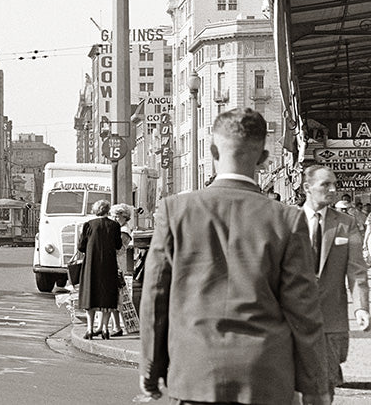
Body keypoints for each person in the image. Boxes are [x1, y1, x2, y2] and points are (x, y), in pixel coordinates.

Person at [139, 108, 331, 405]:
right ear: (264, 158)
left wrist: (151, 370)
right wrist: (315, 386)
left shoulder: (174, 211)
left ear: (213, 150)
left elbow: (155, 297)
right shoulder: (288, 220)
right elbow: (304, 311)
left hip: (196, 373)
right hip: (265, 376)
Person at [302, 167, 370, 398]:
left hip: (332, 317)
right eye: (325, 184)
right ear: (306, 188)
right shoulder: (288, 221)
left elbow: (357, 270)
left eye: (334, 184)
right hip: (294, 317)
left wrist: (361, 307)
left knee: (326, 386)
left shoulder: (345, 223)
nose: (332, 189)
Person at [77, 198, 121, 339]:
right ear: (108, 210)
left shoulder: (88, 225)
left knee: (91, 296)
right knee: (107, 297)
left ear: (95, 210)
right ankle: (105, 330)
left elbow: (81, 246)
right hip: (109, 265)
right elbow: (118, 245)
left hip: (91, 264)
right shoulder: (114, 226)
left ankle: (90, 329)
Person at [105, 203, 133, 337]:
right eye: (113, 216)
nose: (115, 218)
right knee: (114, 297)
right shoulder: (119, 229)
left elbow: (118, 249)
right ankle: (115, 326)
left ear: (125, 217)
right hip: (115, 265)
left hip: (117, 266)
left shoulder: (124, 231)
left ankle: (116, 326)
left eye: (118, 216)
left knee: (115, 297)